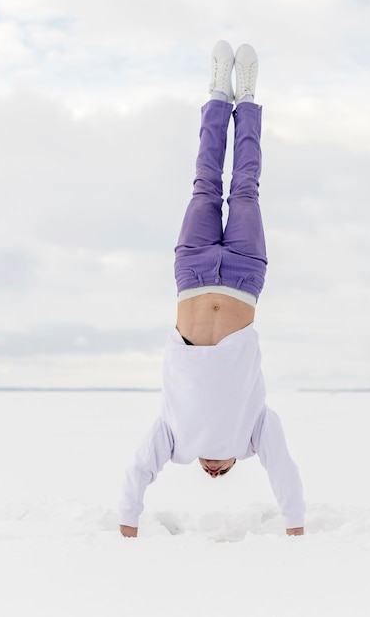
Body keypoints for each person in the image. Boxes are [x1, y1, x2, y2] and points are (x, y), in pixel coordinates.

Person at [118, 40, 305, 537]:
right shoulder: (253, 432)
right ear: (237, 461)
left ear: (198, 461)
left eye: (209, 471)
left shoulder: (174, 439)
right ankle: (246, 98)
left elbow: (139, 468)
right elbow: (282, 465)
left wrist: (127, 517)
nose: (214, 470)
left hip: (193, 273)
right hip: (244, 276)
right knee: (244, 185)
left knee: (204, 183)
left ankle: (217, 92)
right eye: (223, 472)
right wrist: (295, 520)